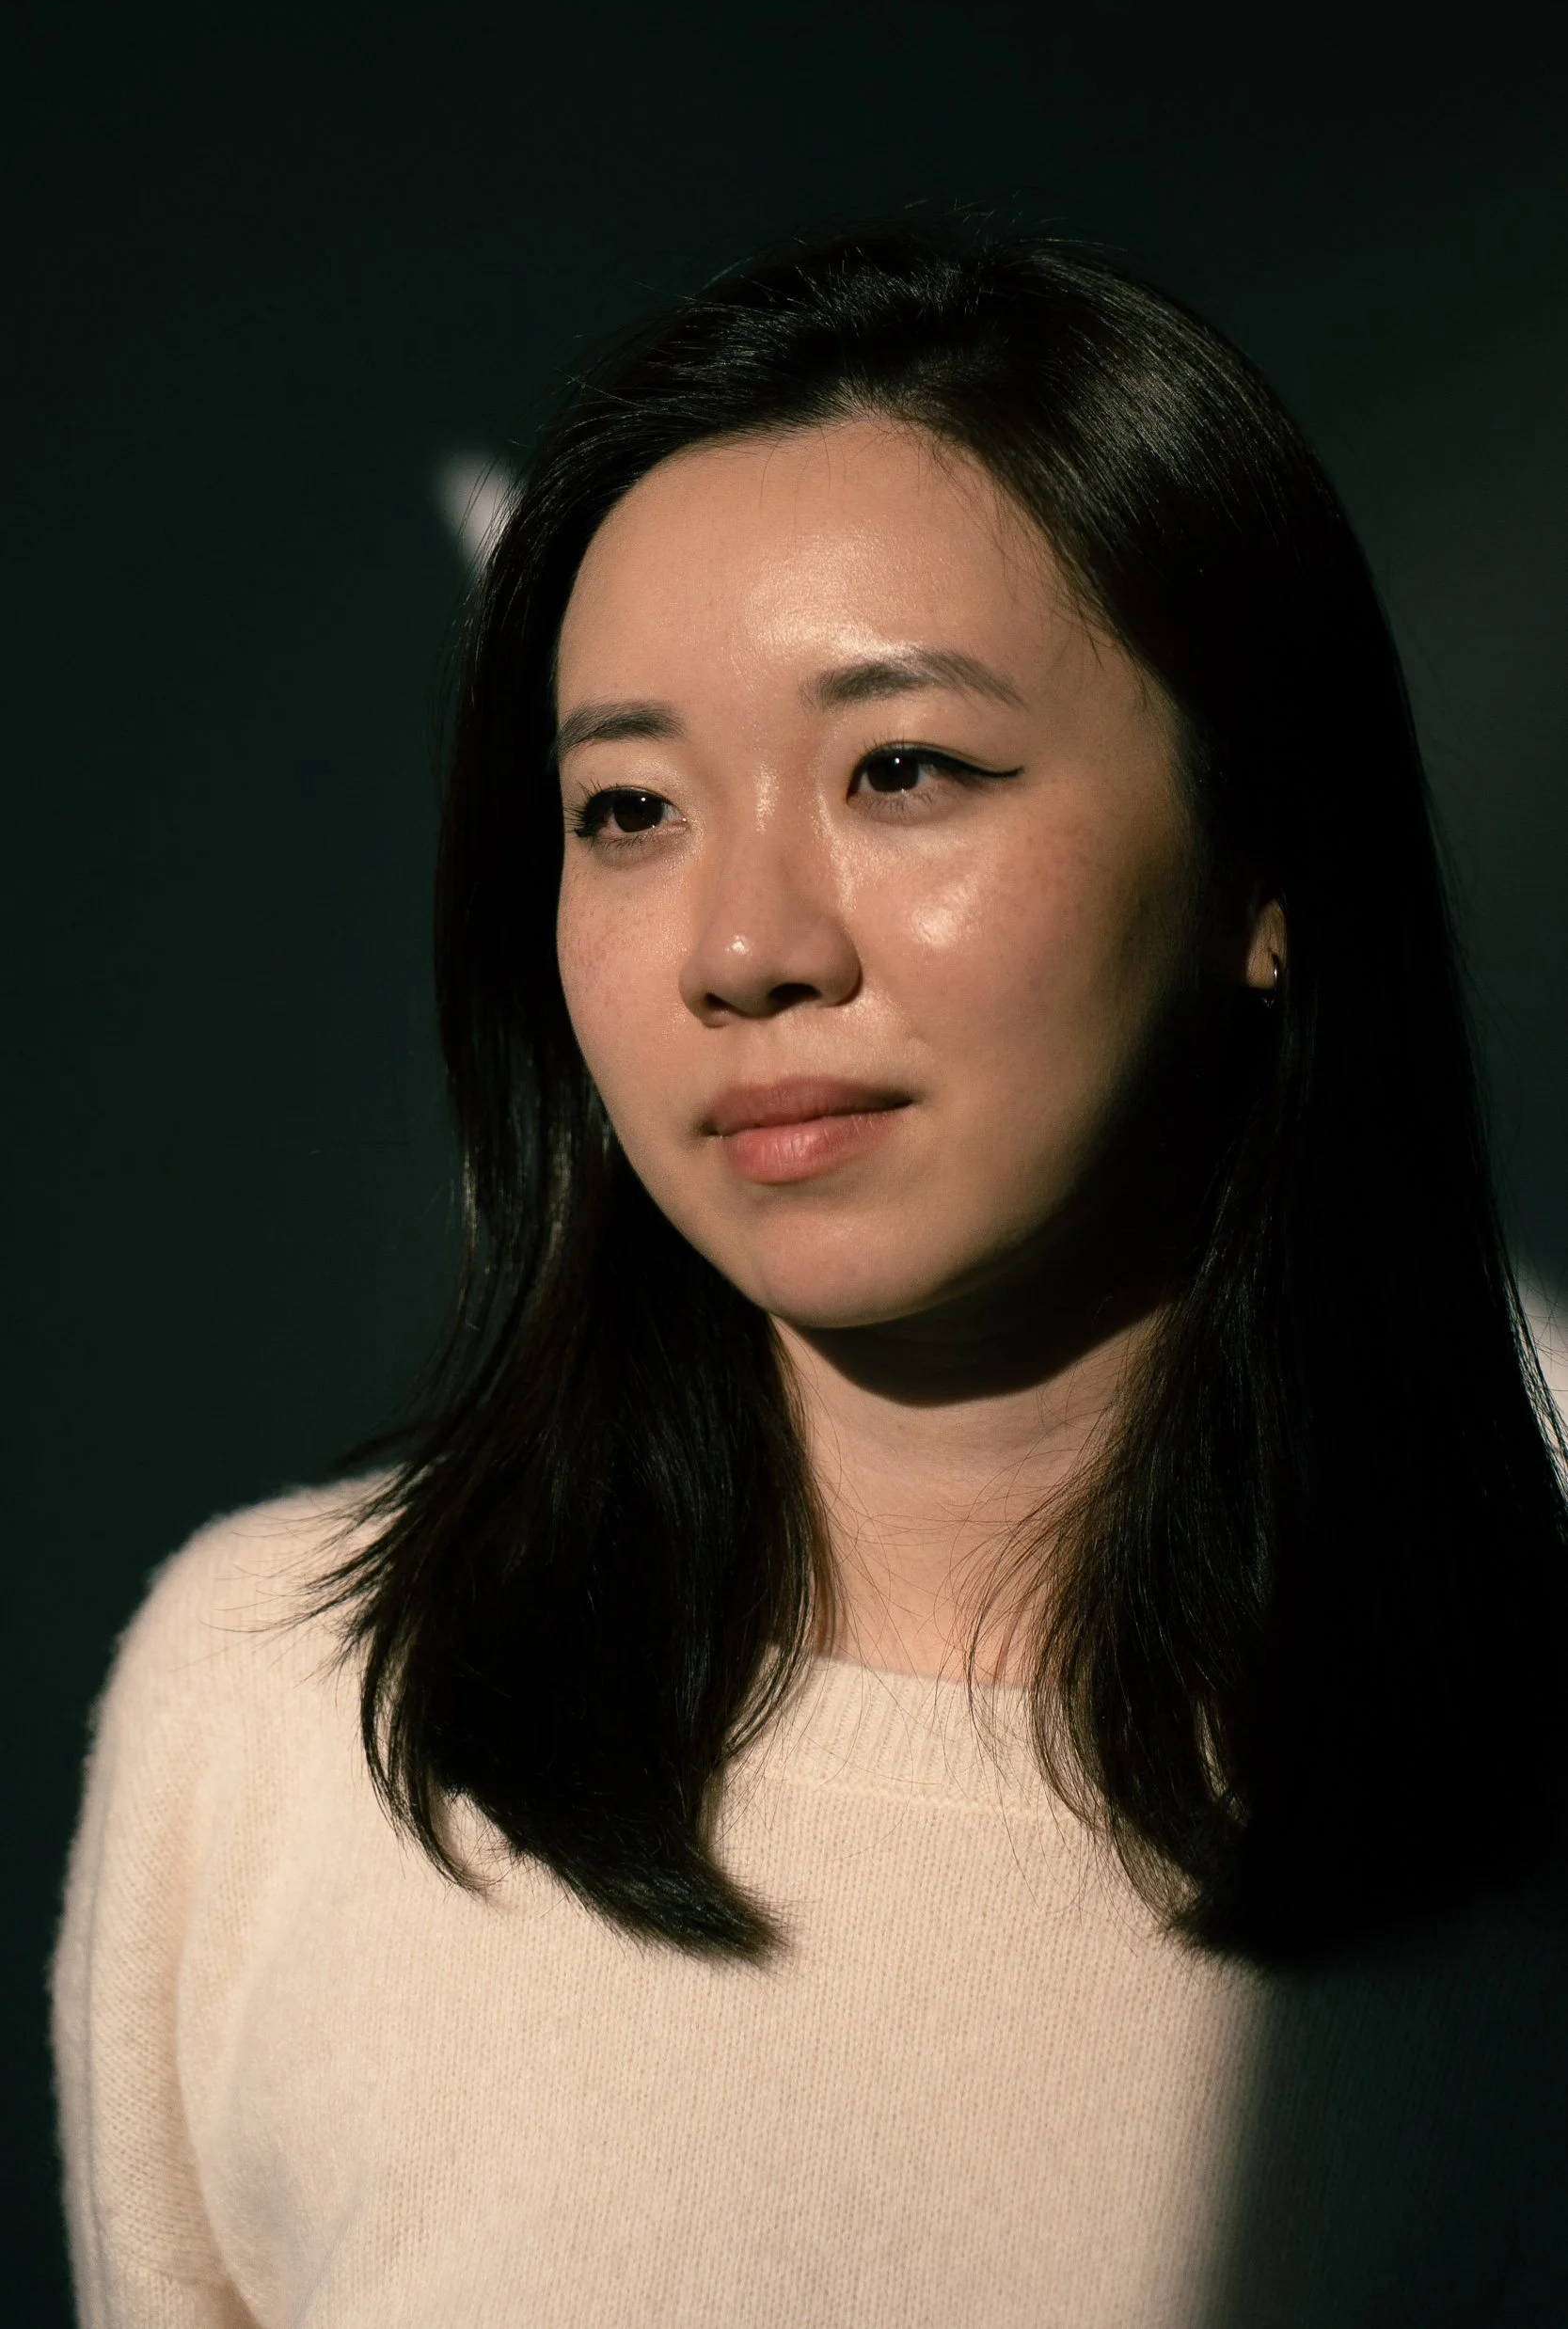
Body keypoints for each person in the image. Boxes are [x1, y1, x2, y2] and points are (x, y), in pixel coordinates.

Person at [53, 227, 1568, 2327]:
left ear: (1265, 864)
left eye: (899, 769)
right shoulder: (277, 1719)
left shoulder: (1515, 1829)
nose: (742, 945)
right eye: (627, 806)